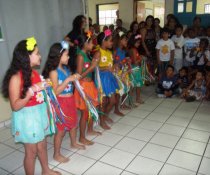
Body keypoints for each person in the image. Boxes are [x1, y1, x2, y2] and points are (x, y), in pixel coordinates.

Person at [1, 37, 61, 175]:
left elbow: (39, 97)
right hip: (27, 118)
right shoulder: (15, 77)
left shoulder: (34, 73)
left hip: (38, 115)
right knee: (31, 151)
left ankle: (45, 170)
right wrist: (32, 91)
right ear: (27, 56)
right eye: (37, 53)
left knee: (42, 145)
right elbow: (15, 106)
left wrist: (45, 87)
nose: (40, 56)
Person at [42, 41, 85, 163]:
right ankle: (56, 154)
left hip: (70, 100)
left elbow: (70, 83)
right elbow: (55, 92)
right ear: (58, 56)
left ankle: (73, 142)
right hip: (61, 103)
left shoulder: (66, 68)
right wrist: (67, 80)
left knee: (73, 124)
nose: (69, 56)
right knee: (61, 130)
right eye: (66, 54)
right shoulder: (53, 72)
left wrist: (74, 77)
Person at [74, 33, 102, 145]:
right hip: (84, 86)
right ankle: (81, 137)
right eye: (91, 42)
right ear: (85, 44)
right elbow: (79, 75)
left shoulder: (87, 54)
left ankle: (90, 130)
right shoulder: (80, 56)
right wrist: (91, 68)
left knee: (92, 109)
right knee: (85, 113)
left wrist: (94, 63)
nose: (93, 44)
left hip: (90, 85)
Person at [97, 29, 119, 130]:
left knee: (113, 100)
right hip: (102, 79)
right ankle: (101, 121)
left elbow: (111, 64)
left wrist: (115, 66)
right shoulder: (98, 52)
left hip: (109, 78)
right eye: (110, 40)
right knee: (104, 101)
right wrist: (106, 68)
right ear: (103, 41)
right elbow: (95, 68)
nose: (112, 42)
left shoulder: (110, 53)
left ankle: (105, 116)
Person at [128, 34, 144, 104]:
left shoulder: (134, 49)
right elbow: (134, 62)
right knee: (133, 85)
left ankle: (136, 99)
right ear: (133, 42)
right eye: (137, 42)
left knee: (137, 84)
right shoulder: (133, 50)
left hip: (136, 69)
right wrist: (140, 58)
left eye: (139, 42)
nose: (139, 44)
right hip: (134, 69)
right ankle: (132, 100)